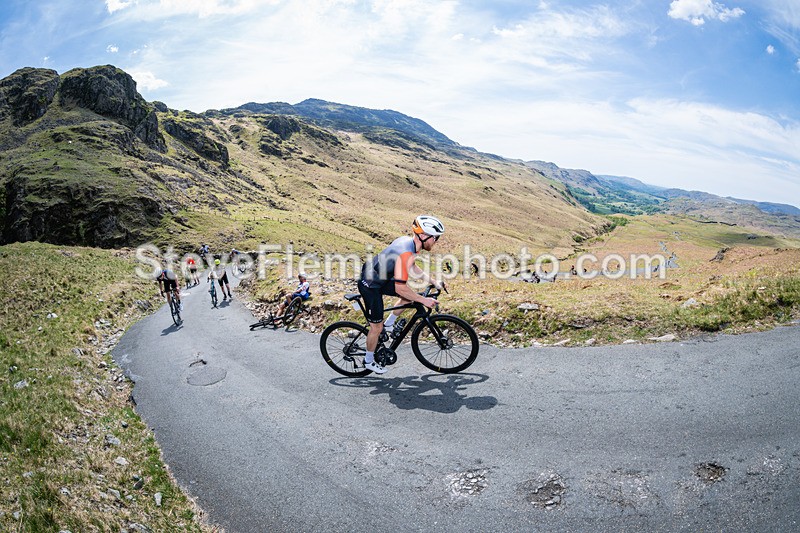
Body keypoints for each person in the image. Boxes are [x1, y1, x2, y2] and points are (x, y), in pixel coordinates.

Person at [358, 215, 446, 374]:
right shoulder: (406, 251)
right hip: (370, 285)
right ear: (424, 236)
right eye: (435, 238)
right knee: (376, 328)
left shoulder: (409, 244)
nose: (436, 242)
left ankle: (390, 324)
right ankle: (368, 360)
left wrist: (432, 281)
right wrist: (423, 300)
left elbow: (412, 267)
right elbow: (400, 288)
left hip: (379, 276)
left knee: (409, 297)